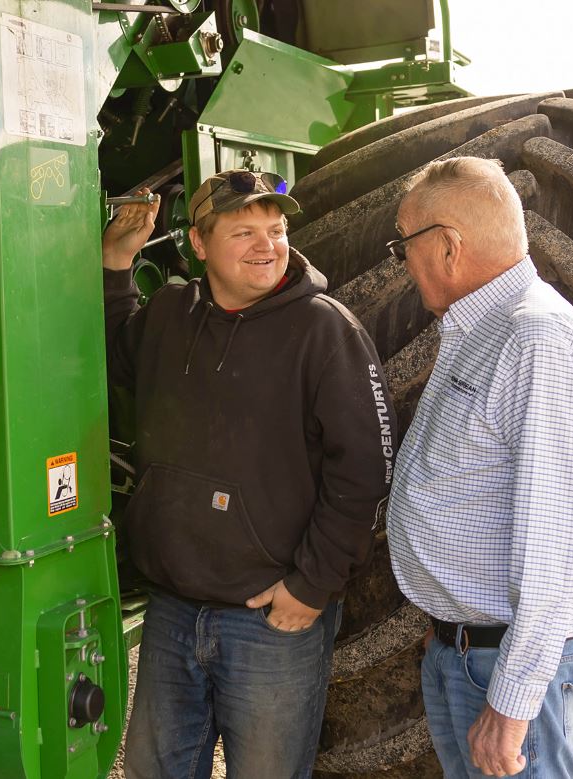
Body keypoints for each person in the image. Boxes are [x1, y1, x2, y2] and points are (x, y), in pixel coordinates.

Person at [100, 171, 395, 778]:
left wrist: (312, 586)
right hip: (174, 609)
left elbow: (365, 470)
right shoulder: (170, 315)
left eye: (277, 230)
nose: (268, 245)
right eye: (245, 232)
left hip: (270, 618)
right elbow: (110, 350)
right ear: (199, 245)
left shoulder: (325, 330)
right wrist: (115, 262)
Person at [386, 157, 573, 778]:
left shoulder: (535, 339)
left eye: (403, 245)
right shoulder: (485, 330)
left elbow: (555, 541)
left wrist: (512, 703)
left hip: (510, 672)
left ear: (448, 246)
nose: (403, 263)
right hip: (463, 653)